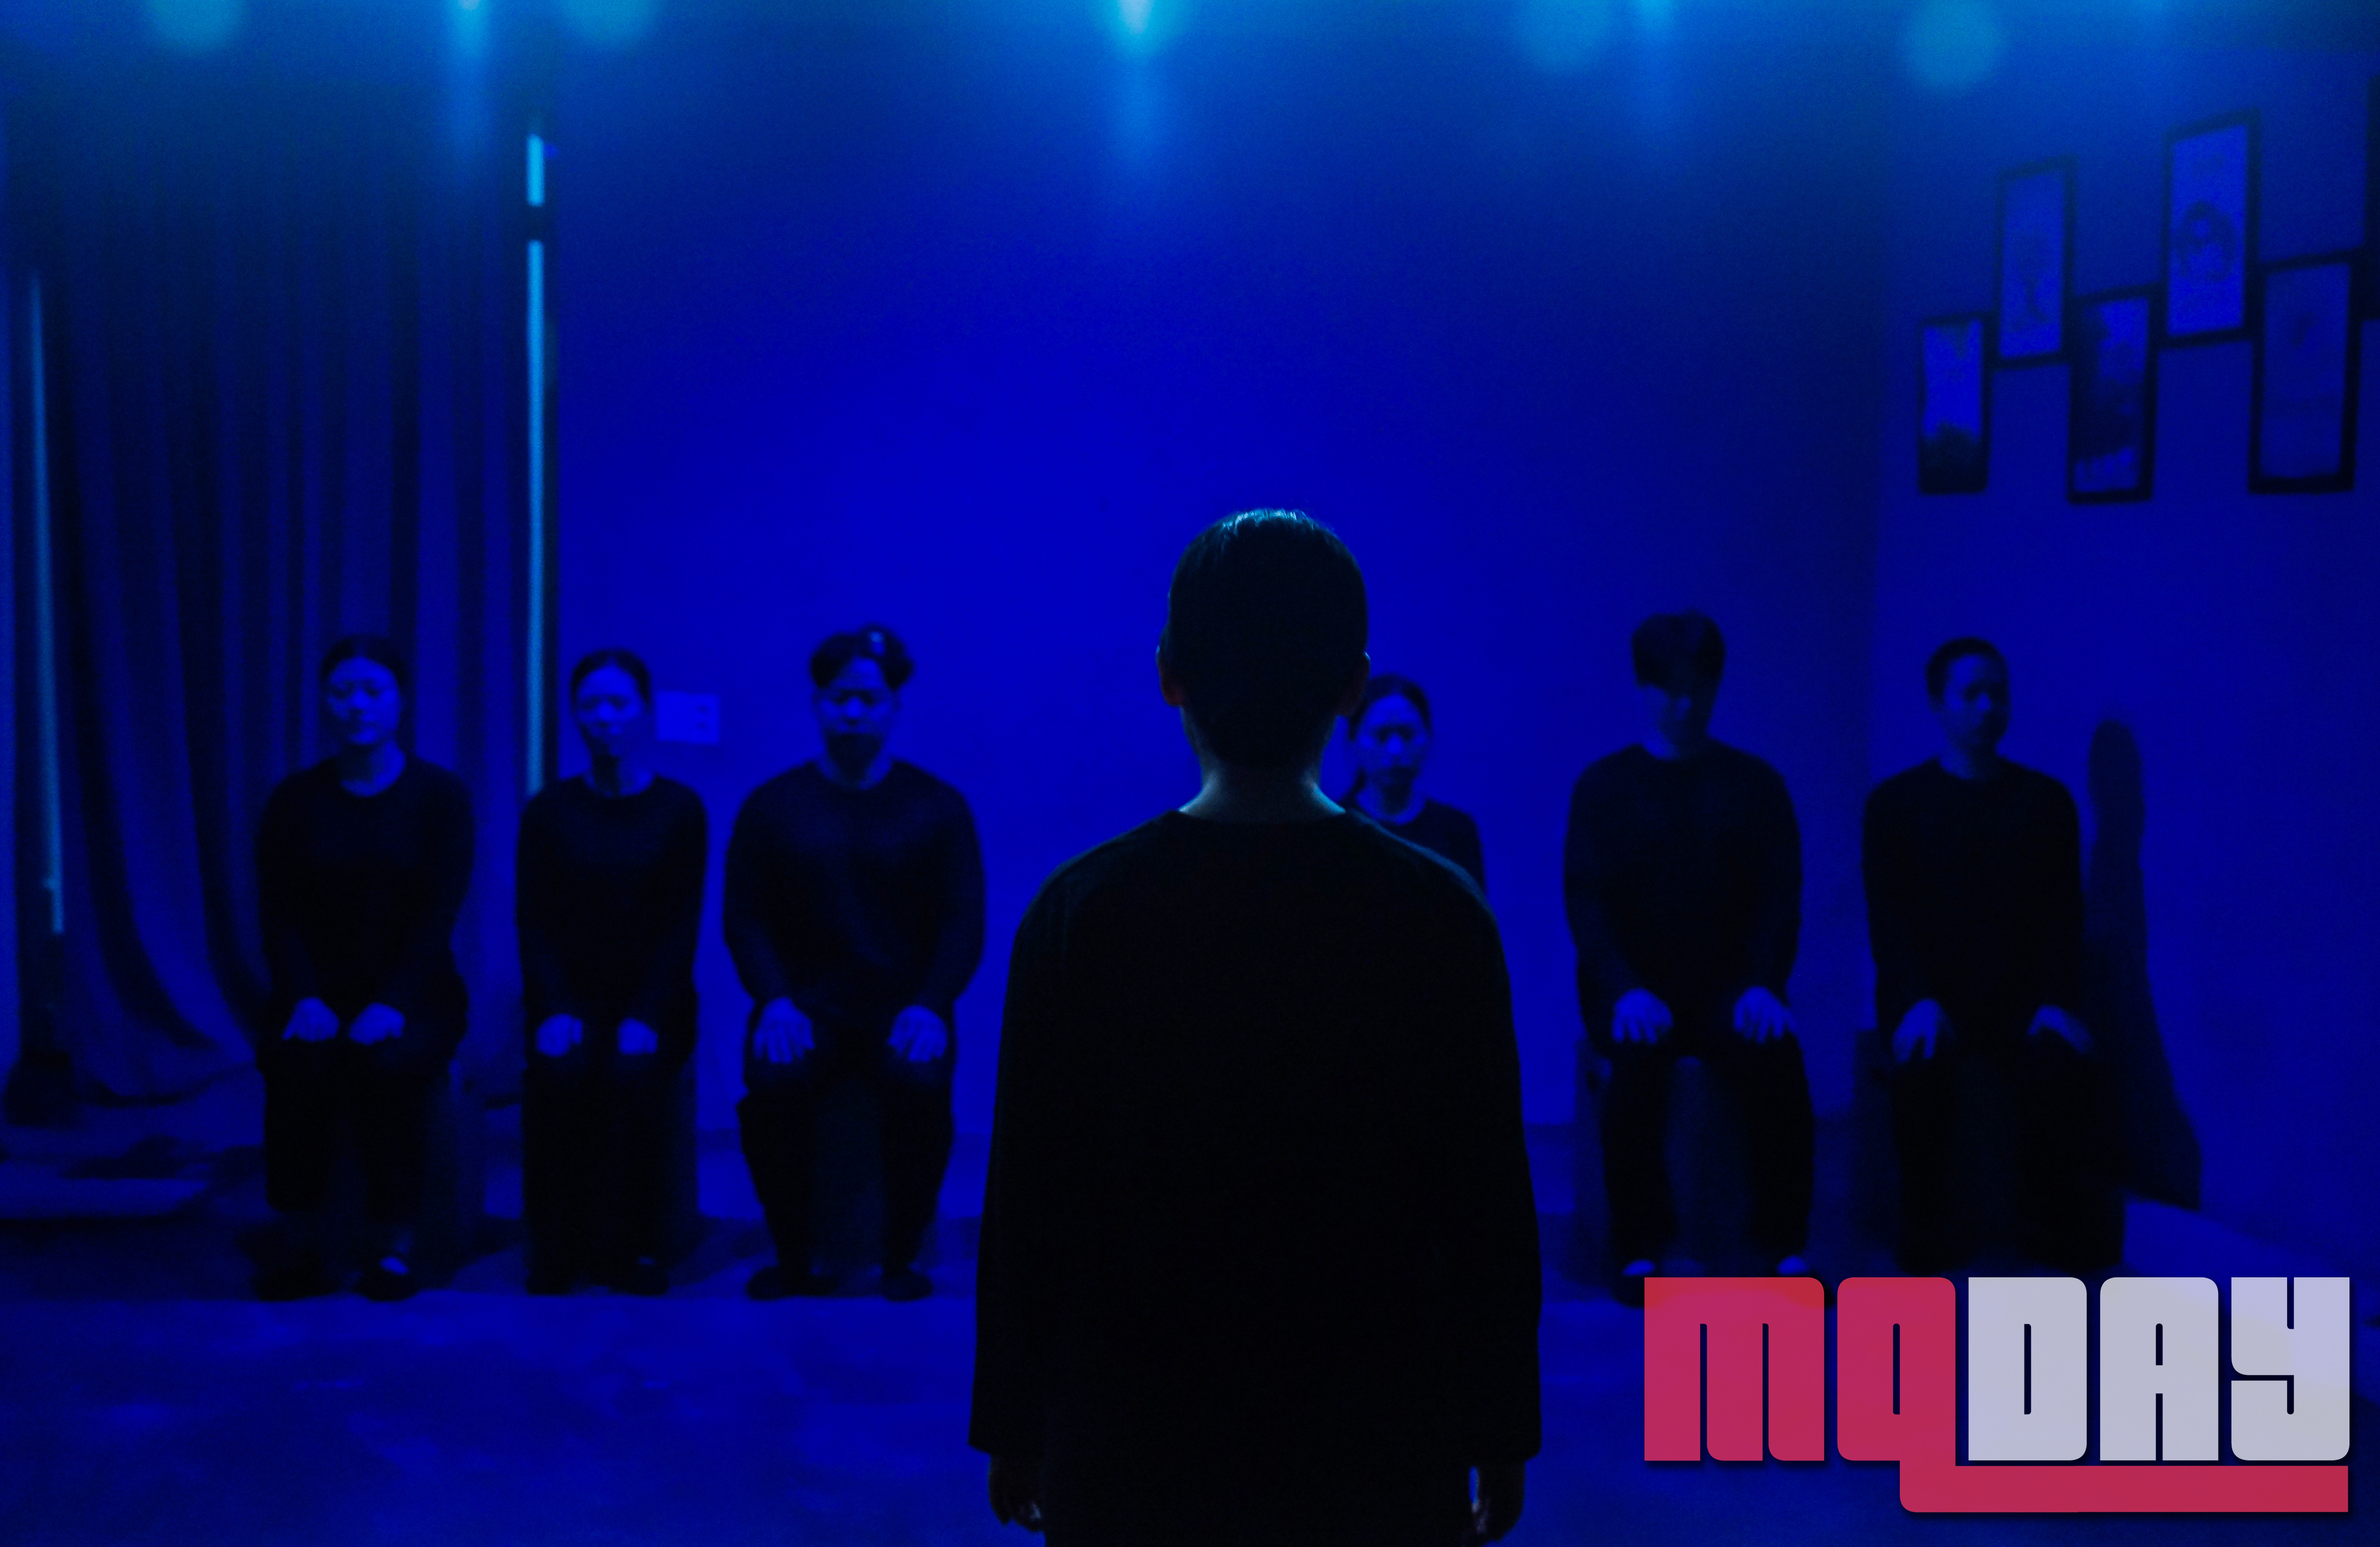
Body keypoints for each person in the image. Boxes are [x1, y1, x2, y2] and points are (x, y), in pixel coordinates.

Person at [970, 511, 1540, 1547]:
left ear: (1168, 675)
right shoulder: (1439, 914)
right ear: (1352, 688)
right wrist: (1499, 1425)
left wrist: (1015, 1422)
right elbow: (1485, 1198)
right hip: (1373, 1437)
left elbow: (1029, 1199)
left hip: (1133, 1436)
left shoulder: (1080, 913)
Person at [725, 625, 985, 1302]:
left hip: (903, 1003)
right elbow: (745, 917)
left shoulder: (937, 807)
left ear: (893, 706)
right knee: (774, 1085)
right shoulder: (772, 807)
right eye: (839, 698)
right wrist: (773, 999)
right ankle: (792, 1255)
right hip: (805, 1004)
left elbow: (962, 920)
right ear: (817, 703)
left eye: (868, 699)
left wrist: (931, 1003)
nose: (852, 711)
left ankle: (901, 1256)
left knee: (920, 1085)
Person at [1563, 612, 1813, 1305]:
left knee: (1775, 1060)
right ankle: (1638, 1245)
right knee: (1635, 1068)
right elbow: (1587, 899)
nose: (1683, 704)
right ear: (1643, 689)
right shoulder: (1604, 786)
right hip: (1634, 988)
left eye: (1696, 688)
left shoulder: (1753, 785)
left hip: (1729, 986)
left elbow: (1778, 894)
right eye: (1668, 689)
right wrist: (1622, 988)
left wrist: (1763, 983)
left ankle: (1782, 1241)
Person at [1863, 637, 2112, 1276]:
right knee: (1921, 1064)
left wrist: (2054, 1001)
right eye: (1970, 694)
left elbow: (2062, 916)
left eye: (1997, 694)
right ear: (1937, 703)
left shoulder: (2045, 803)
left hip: (2017, 996)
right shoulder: (1896, 805)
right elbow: (1889, 920)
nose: (1986, 708)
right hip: (1932, 994)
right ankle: (1924, 1222)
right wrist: (1916, 998)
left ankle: (2044, 1224)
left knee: (2060, 1065)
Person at [253, 636, 474, 1302]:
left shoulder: (440, 796)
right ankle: (300, 1239)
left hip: (418, 992)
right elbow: (279, 912)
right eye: (343, 691)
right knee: (297, 1065)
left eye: (373, 690)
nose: (358, 705)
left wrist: (394, 1001)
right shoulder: (295, 800)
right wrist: (305, 996)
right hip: (317, 992)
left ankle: (395, 1244)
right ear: (325, 702)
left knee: (388, 1066)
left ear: (400, 701)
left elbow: (439, 913)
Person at [516, 649, 708, 1297]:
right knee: (560, 1073)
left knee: (632, 1074)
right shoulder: (549, 812)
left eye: (619, 703)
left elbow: (679, 925)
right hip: (569, 1000)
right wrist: (553, 1006)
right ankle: (556, 1244)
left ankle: (635, 1244)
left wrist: (646, 1013)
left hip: (654, 1001)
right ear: (575, 715)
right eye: (591, 705)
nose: (605, 718)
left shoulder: (679, 809)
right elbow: (535, 920)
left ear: (644, 712)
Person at [1341, 674, 1487, 892]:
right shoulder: (1334, 829)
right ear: (1354, 739)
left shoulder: (1456, 831)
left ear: (1428, 737)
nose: (1395, 750)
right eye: (1381, 735)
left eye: (1408, 734)